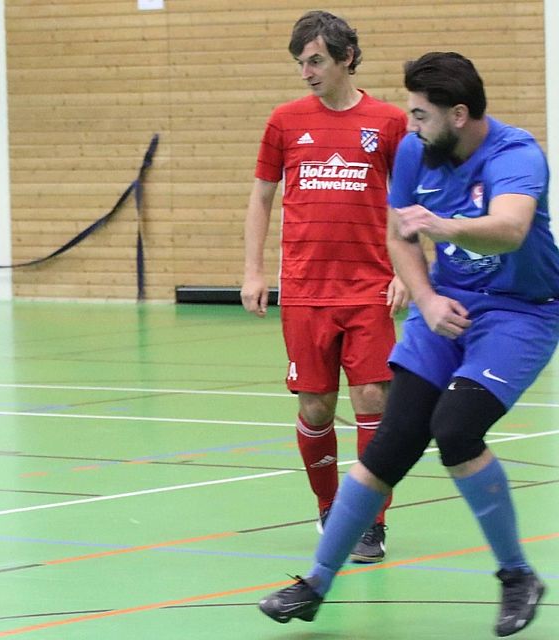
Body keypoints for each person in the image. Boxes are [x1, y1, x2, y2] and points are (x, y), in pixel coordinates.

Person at [258, 51, 559, 637]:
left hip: (519, 312)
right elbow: (398, 235)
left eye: (422, 116)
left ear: (461, 114)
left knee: (455, 429)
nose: (412, 125)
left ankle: (517, 574)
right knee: (389, 445)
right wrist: (423, 298)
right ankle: (317, 583)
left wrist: (443, 227)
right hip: (442, 307)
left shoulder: (516, 154)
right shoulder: (416, 152)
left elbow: (511, 227)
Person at [241, 10, 408, 562]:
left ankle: (369, 523)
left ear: (346, 59)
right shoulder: (285, 121)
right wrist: (253, 271)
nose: (306, 72)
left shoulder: (387, 122)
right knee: (316, 409)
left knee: (371, 399)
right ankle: (330, 508)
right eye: (300, 63)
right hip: (306, 290)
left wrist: (410, 272)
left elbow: (410, 201)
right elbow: (262, 196)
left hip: (367, 288)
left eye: (315, 61)